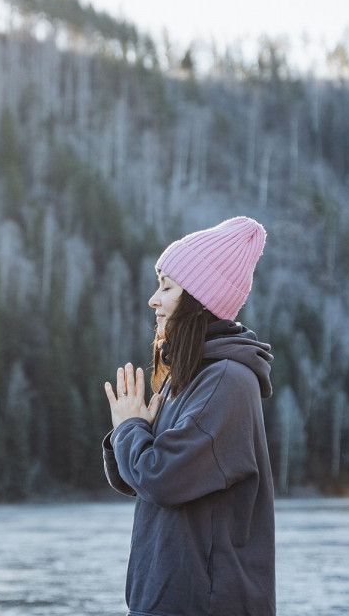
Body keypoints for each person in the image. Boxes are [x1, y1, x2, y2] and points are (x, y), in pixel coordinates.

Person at [102, 216, 276, 616]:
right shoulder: (188, 377)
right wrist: (130, 432)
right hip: (164, 603)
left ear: (200, 300)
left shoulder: (226, 381)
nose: (153, 299)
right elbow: (139, 481)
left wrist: (130, 428)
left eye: (166, 286)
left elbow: (160, 478)